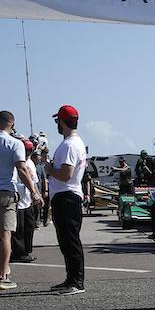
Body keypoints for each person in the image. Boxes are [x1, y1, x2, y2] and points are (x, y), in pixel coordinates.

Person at [0, 110, 41, 290]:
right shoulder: (14, 143)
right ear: (12, 124)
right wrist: (34, 191)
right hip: (5, 191)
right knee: (5, 234)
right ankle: (3, 275)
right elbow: (22, 169)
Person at [46, 105, 88, 295]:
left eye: (58, 121)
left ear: (62, 122)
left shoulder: (69, 145)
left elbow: (65, 174)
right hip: (68, 195)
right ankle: (71, 278)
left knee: (69, 240)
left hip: (66, 196)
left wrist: (49, 169)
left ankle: (76, 281)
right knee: (66, 240)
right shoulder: (74, 143)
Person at [11, 139, 39, 264]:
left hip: (27, 199)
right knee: (19, 228)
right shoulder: (16, 161)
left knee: (29, 226)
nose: (28, 153)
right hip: (18, 198)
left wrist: (37, 194)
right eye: (26, 150)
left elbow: (34, 181)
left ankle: (27, 250)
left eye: (30, 150)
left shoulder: (31, 163)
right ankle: (18, 252)